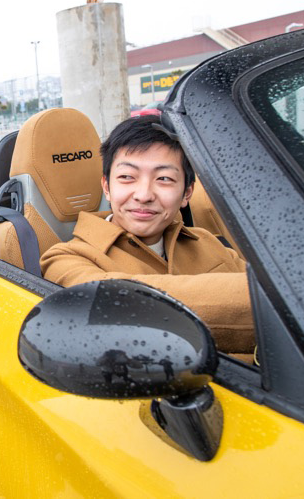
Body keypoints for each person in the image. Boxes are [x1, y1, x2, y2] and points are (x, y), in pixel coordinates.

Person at [40, 115, 255, 354]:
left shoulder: (206, 241)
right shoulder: (65, 259)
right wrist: (275, 299)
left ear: (186, 194)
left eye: (164, 179)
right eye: (127, 177)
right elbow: (109, 303)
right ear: (107, 187)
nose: (143, 195)